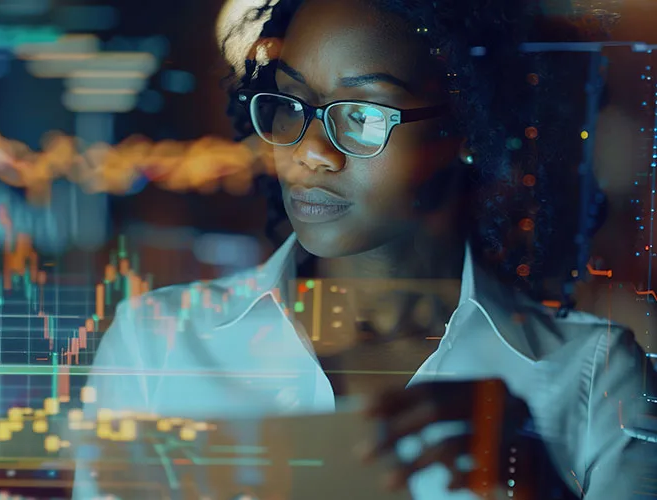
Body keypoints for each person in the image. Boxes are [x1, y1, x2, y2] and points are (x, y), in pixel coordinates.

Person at [71, 0, 657, 498]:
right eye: (292, 102)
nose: (311, 152)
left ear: (468, 130)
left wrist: (532, 483)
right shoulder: (159, 342)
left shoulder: (592, 377)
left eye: (363, 115)